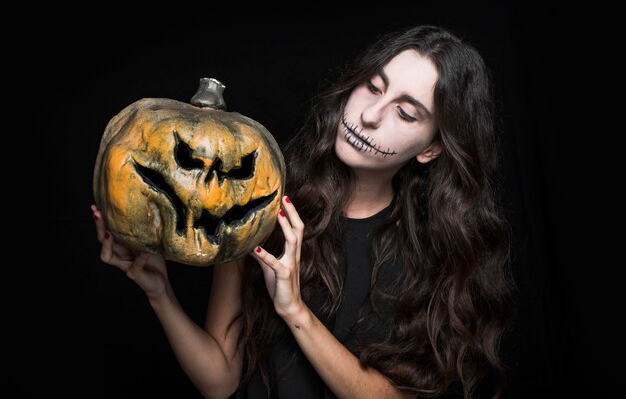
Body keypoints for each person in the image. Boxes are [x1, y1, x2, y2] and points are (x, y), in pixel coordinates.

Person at [91, 25, 513, 399]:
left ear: (432, 147)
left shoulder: (433, 256)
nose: (368, 116)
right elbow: (220, 381)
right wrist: (158, 293)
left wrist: (294, 310)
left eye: (405, 112)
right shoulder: (257, 202)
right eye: (373, 86)